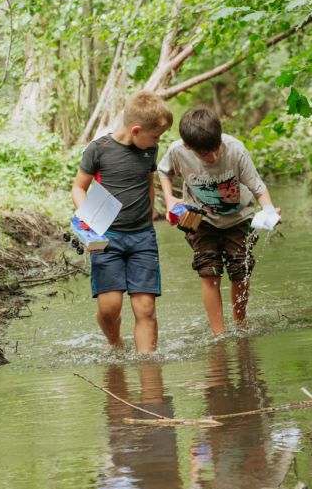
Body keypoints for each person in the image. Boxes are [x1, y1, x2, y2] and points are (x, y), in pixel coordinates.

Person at [157, 105, 279, 335]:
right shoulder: (176, 151)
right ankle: (218, 334)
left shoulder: (236, 150)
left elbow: (258, 188)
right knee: (208, 271)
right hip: (199, 219)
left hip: (239, 218)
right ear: (188, 146)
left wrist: (270, 212)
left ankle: (240, 325)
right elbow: (164, 171)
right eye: (204, 154)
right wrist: (169, 198)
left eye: (215, 149)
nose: (212, 157)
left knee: (239, 271)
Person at [72, 91, 173, 353]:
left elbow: (148, 184)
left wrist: (150, 215)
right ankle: (116, 344)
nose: (157, 142)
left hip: (142, 236)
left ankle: (148, 369)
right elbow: (78, 188)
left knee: (146, 308)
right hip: (106, 238)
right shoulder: (99, 150)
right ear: (137, 130)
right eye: (155, 136)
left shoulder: (148, 149)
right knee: (109, 308)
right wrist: (89, 222)